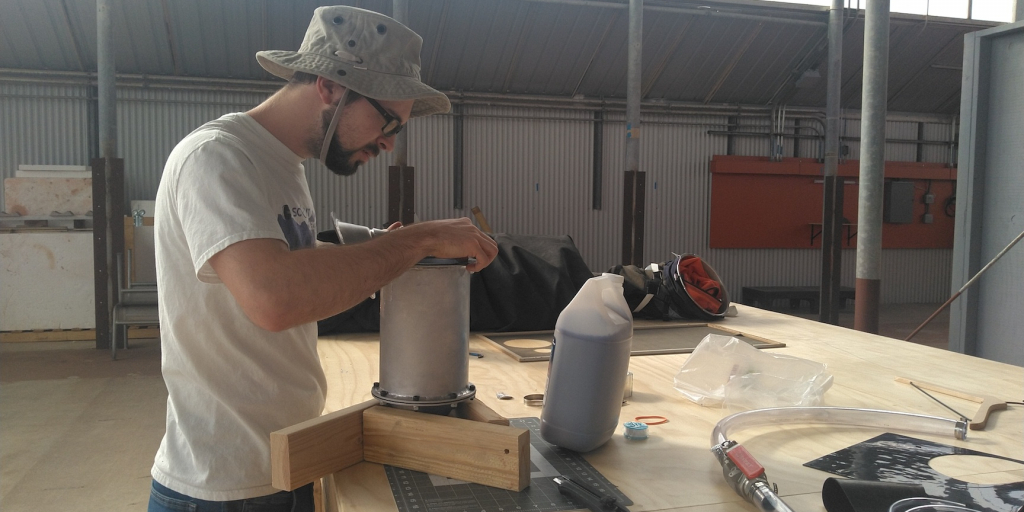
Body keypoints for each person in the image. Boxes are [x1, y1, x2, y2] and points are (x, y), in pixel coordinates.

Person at [148, 6, 498, 511]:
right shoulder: (217, 158)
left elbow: (296, 262)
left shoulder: (283, 166)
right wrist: (413, 243)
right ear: (330, 86)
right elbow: (274, 298)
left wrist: (385, 252)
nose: (388, 142)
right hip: (222, 486)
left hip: (287, 461)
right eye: (387, 121)